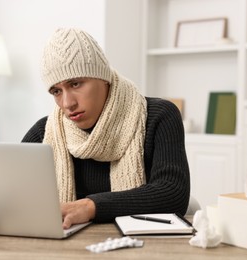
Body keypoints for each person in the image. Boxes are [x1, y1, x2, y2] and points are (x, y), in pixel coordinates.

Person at [22, 28, 190, 229]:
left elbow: (173, 194)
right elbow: (11, 193)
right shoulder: (46, 131)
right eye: (57, 91)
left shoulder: (158, 116)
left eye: (75, 84)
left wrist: (91, 206)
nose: (67, 103)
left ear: (104, 78)